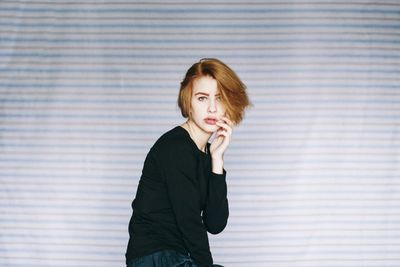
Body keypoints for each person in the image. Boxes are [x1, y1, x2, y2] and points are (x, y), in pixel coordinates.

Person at [125, 58, 250, 267]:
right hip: (154, 257)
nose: (212, 108)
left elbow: (215, 223)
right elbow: (190, 222)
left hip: (179, 257)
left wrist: (217, 161)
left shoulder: (206, 153)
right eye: (202, 98)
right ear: (188, 103)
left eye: (219, 98)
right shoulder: (175, 147)